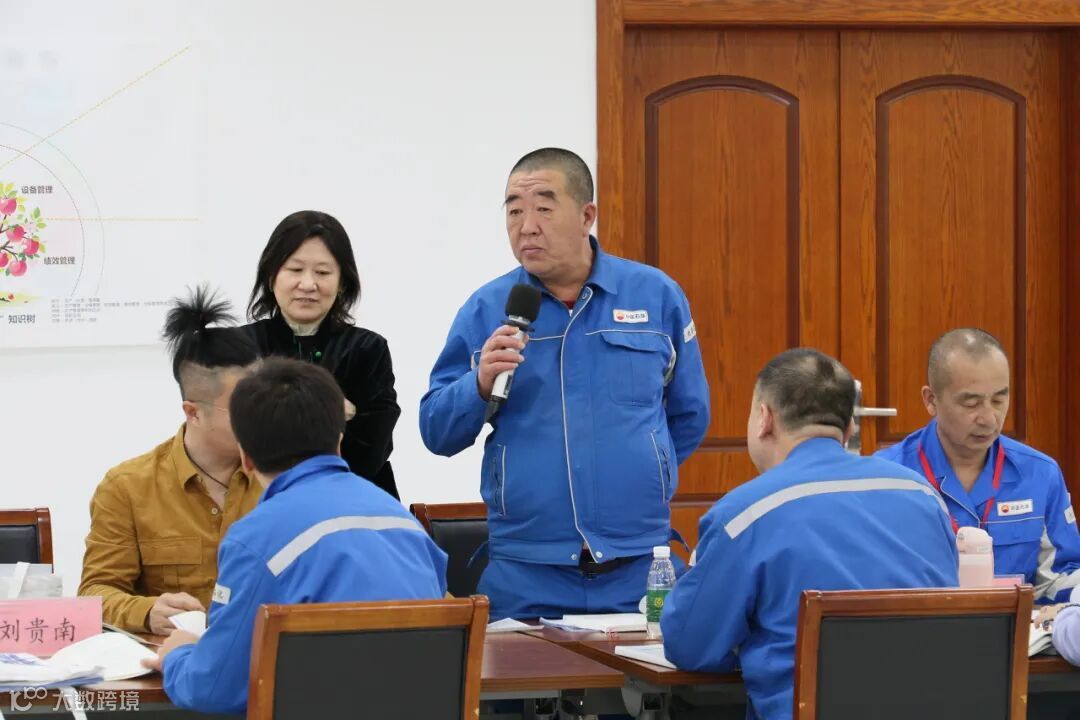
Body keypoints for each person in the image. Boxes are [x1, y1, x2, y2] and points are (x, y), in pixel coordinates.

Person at [420, 147, 710, 619]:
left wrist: (640, 471)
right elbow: (436, 430)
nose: (526, 226)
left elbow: (688, 414)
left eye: (543, 208)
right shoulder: (487, 308)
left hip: (640, 567)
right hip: (524, 570)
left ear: (586, 216)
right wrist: (478, 384)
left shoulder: (656, 295)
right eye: (514, 211)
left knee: (664, 669)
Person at [662, 348, 958, 720]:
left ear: (764, 419)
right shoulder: (924, 497)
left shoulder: (745, 515)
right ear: (849, 429)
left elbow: (689, 644)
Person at [146, 358, 448, 715]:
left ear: (246, 457)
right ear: (339, 442)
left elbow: (213, 689)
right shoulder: (406, 524)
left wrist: (178, 654)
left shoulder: (255, 540)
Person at [79, 287, 263, 634]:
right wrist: (147, 611)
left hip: (262, 656)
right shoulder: (129, 487)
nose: (261, 417)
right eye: (245, 407)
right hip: (171, 659)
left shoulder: (283, 478)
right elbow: (95, 592)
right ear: (193, 412)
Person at [876, 328, 1080, 602]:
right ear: (931, 400)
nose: (989, 418)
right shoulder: (886, 477)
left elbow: (1061, 575)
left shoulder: (1040, 474)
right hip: (920, 626)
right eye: (971, 403)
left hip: (1019, 628)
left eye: (998, 400)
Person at [244, 210, 401, 498]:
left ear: (342, 282)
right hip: (261, 503)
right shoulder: (242, 346)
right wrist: (336, 413)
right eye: (295, 269)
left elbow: (372, 448)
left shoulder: (367, 349)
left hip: (353, 502)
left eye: (323, 272)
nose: (308, 284)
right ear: (271, 275)